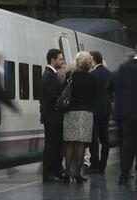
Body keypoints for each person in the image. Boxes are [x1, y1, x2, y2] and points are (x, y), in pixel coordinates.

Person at [62, 51, 98, 184]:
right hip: (86, 113)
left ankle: (66, 173)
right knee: (82, 143)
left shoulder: (70, 75)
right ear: (89, 63)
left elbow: (64, 92)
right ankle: (77, 173)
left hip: (70, 112)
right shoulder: (93, 78)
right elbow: (95, 96)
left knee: (69, 143)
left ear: (77, 62)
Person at [40, 49, 65, 182]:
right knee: (51, 145)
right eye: (60, 59)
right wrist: (63, 100)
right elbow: (52, 96)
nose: (62, 61)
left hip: (53, 116)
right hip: (52, 117)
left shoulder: (51, 74)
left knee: (56, 144)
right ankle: (48, 173)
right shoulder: (50, 75)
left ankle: (56, 170)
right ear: (52, 60)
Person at [86, 51, 112, 175]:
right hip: (106, 110)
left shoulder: (92, 75)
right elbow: (112, 94)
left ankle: (94, 164)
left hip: (94, 111)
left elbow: (90, 94)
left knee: (94, 139)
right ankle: (103, 166)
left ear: (94, 59)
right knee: (105, 138)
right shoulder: (109, 74)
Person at [115, 45, 137, 185]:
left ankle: (124, 173)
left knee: (128, 143)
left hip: (127, 112)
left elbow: (118, 88)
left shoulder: (124, 67)